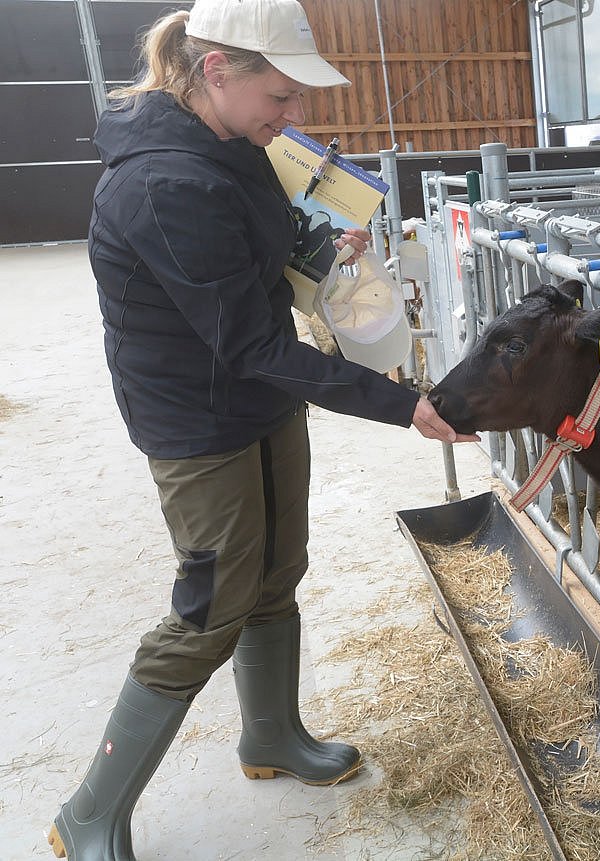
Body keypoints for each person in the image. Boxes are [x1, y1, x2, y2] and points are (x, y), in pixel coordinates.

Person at [49, 1, 475, 858]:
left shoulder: (237, 148)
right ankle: (90, 811)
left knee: (278, 570)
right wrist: (404, 404)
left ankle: (271, 736)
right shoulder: (164, 182)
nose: (296, 116)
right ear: (216, 72)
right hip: (194, 413)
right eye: (281, 95)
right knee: (208, 606)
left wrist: (323, 249)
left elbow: (261, 256)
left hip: (261, 398)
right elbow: (249, 341)